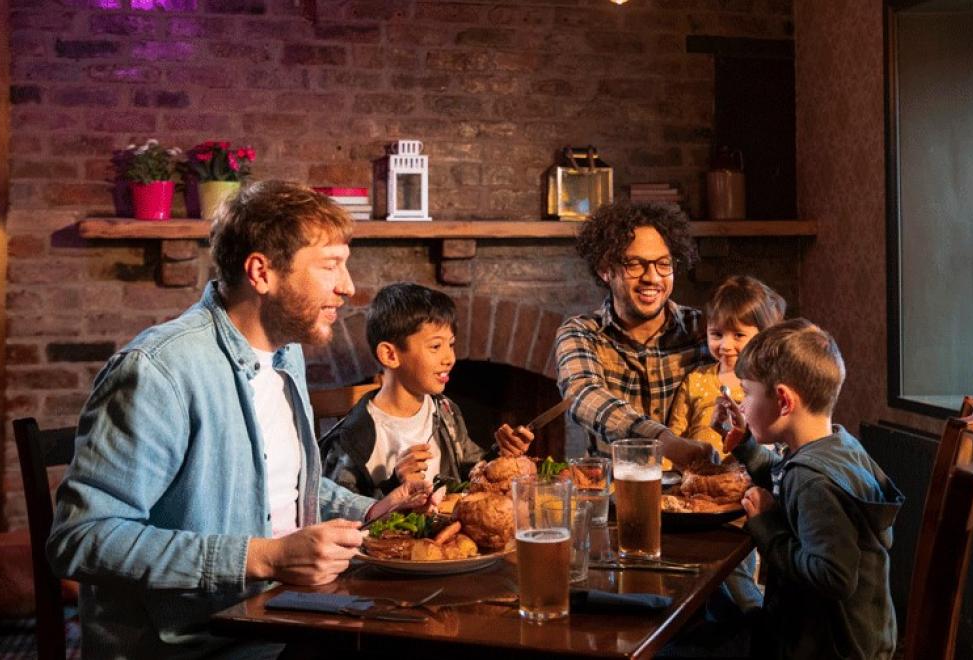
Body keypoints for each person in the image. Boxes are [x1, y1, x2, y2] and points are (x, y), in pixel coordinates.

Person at [47, 181, 433, 659]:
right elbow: (81, 540)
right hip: (199, 646)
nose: (349, 286)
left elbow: (278, 485)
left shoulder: (284, 353)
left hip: (284, 618)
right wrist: (263, 558)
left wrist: (374, 510)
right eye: (330, 266)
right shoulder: (158, 371)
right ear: (261, 272)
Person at [715, 319, 904, 659]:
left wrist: (767, 525)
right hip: (863, 637)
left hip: (832, 648)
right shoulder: (838, 445)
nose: (742, 406)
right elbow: (787, 477)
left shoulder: (813, 482)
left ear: (784, 401)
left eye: (747, 392)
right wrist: (745, 444)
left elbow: (832, 576)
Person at [515, 200, 714, 464]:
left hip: (700, 496)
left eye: (663, 264)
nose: (652, 277)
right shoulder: (582, 333)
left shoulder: (707, 330)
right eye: (634, 264)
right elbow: (584, 396)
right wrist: (667, 443)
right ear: (605, 269)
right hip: (615, 495)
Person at [321, 282, 530, 496]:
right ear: (390, 355)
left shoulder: (445, 410)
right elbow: (340, 513)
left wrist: (501, 456)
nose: (449, 358)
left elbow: (471, 471)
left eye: (451, 344)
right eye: (435, 346)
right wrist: (396, 486)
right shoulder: (350, 440)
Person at [667, 274, 786, 456]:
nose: (725, 346)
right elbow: (675, 436)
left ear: (762, 334)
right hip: (698, 477)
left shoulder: (769, 383)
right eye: (717, 334)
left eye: (738, 335)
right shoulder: (695, 379)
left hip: (750, 477)